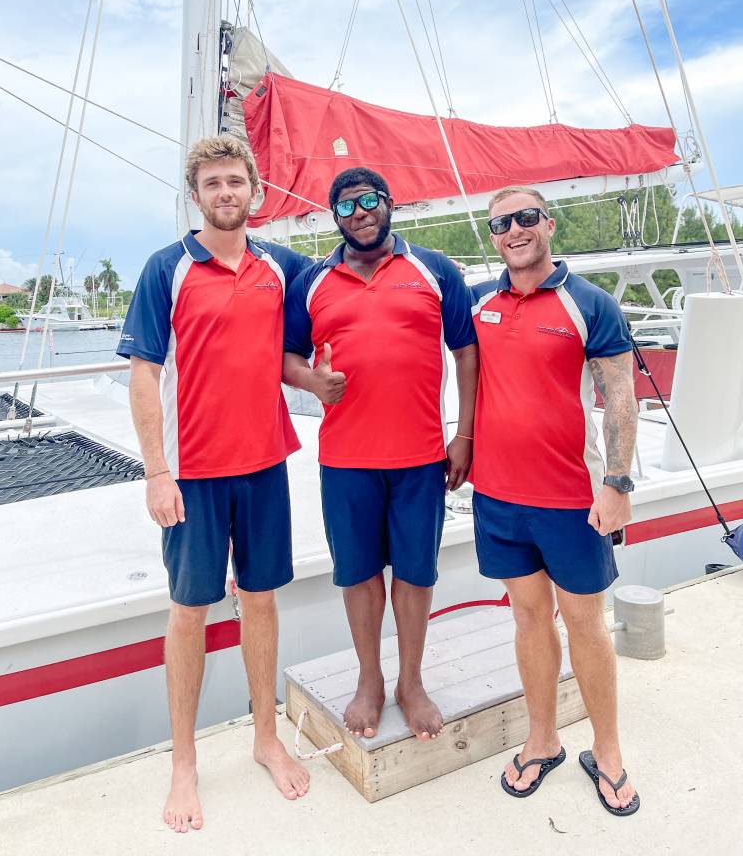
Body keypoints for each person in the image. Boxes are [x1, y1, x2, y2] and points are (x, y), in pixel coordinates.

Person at [118, 135, 311, 834]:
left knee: (259, 601)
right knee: (190, 611)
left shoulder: (280, 266)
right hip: (192, 475)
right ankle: (184, 762)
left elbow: (350, 284)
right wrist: (156, 472)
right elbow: (144, 375)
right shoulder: (166, 269)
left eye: (236, 181)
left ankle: (265, 738)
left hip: (263, 465)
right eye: (212, 183)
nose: (226, 192)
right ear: (195, 195)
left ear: (254, 191)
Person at [282, 167, 478, 742]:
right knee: (360, 574)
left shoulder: (434, 269)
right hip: (345, 459)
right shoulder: (313, 281)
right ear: (334, 217)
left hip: (420, 458)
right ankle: (369, 680)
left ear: (389, 204)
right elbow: (286, 357)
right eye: (346, 206)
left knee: (416, 574)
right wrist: (312, 383)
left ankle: (410, 683)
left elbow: (466, 353)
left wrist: (463, 435)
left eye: (369, 200)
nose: (360, 213)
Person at [469, 186, 640, 816]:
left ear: (549, 224)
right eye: (499, 223)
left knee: (586, 623)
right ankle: (543, 742)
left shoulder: (587, 303)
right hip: (498, 497)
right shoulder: (478, 303)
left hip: (571, 498)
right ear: (492, 236)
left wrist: (618, 482)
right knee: (528, 618)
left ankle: (610, 750)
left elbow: (620, 395)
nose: (513, 230)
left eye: (525, 218)